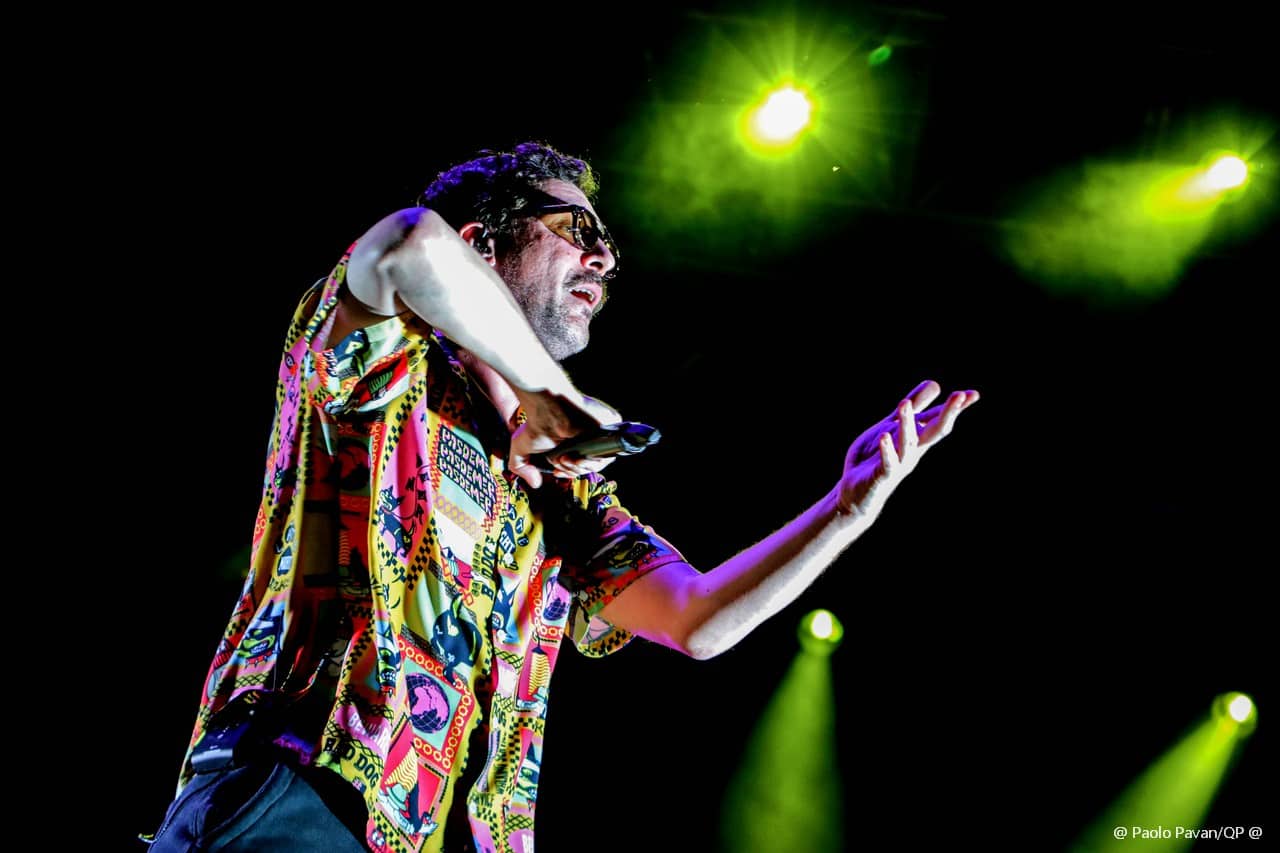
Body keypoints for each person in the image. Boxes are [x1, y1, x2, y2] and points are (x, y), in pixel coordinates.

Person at [145, 141, 978, 852]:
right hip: (304, 789)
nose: (605, 262)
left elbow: (698, 620)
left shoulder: (568, 491)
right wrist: (548, 394)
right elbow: (407, 243)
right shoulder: (380, 369)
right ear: (482, 243)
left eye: (609, 247)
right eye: (577, 231)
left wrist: (846, 509)